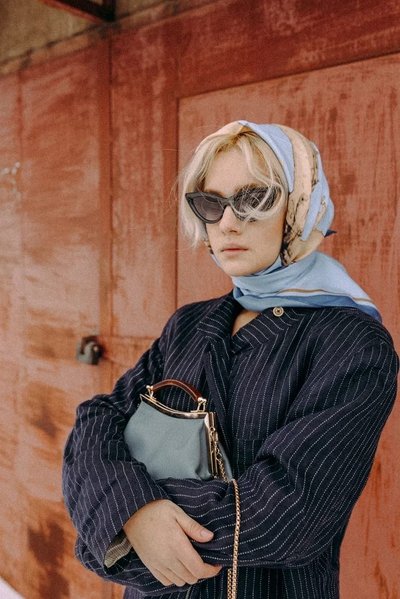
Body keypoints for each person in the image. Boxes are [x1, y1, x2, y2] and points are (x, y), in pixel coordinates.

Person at [62, 120, 399, 599]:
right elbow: (97, 421)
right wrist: (132, 512)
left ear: (299, 205)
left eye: (254, 199)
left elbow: (289, 514)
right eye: (211, 203)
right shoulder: (191, 324)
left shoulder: (351, 343)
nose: (227, 223)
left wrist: (122, 520)